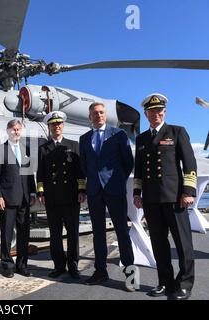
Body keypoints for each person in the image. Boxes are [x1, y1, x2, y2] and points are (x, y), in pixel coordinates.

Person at [133, 93, 196, 300]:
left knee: (183, 244)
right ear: (146, 113)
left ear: (164, 111)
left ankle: (185, 284)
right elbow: (139, 170)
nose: (155, 114)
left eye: (159, 110)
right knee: (159, 245)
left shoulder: (176, 132)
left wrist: (188, 192)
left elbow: (189, 164)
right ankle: (165, 283)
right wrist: (136, 193)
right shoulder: (142, 139)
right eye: (151, 111)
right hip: (151, 200)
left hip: (175, 198)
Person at [79, 102, 135, 290]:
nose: (99, 116)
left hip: (114, 188)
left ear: (106, 115)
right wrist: (95, 181)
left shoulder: (118, 134)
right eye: (95, 113)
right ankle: (100, 271)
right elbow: (85, 165)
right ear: (90, 117)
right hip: (95, 191)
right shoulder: (84, 138)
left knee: (122, 232)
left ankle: (130, 274)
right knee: (98, 233)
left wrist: (117, 180)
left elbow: (128, 162)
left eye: (101, 112)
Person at [37, 111, 86, 279]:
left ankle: (73, 265)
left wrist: (81, 190)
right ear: (49, 127)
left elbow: (80, 171)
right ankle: (59, 265)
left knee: (73, 233)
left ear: (62, 126)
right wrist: (41, 192)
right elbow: (41, 173)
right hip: (52, 197)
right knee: (55, 234)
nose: (56, 126)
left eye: (59, 124)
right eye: (53, 124)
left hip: (71, 197)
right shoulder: (43, 149)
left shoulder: (73, 145)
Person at [0, 119, 36, 278]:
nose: (16, 132)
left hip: (24, 199)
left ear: (21, 130)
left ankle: (22, 265)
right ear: (8, 131)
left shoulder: (26, 149)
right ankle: (7, 266)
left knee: (24, 234)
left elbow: (30, 174)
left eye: (18, 129)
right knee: (7, 234)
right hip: (7, 199)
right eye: (13, 129)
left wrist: (32, 193)